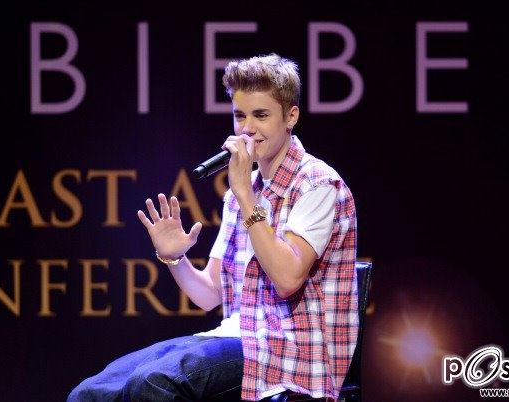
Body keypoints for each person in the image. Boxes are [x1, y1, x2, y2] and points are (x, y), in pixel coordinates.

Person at [68, 53, 358, 401]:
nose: (248, 128)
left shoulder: (317, 183)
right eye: (240, 116)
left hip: (291, 349)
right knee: (93, 391)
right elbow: (209, 295)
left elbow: (287, 278)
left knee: (154, 383)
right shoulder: (243, 190)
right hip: (235, 335)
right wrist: (175, 258)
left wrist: (245, 196)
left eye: (261, 115)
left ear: (290, 116)